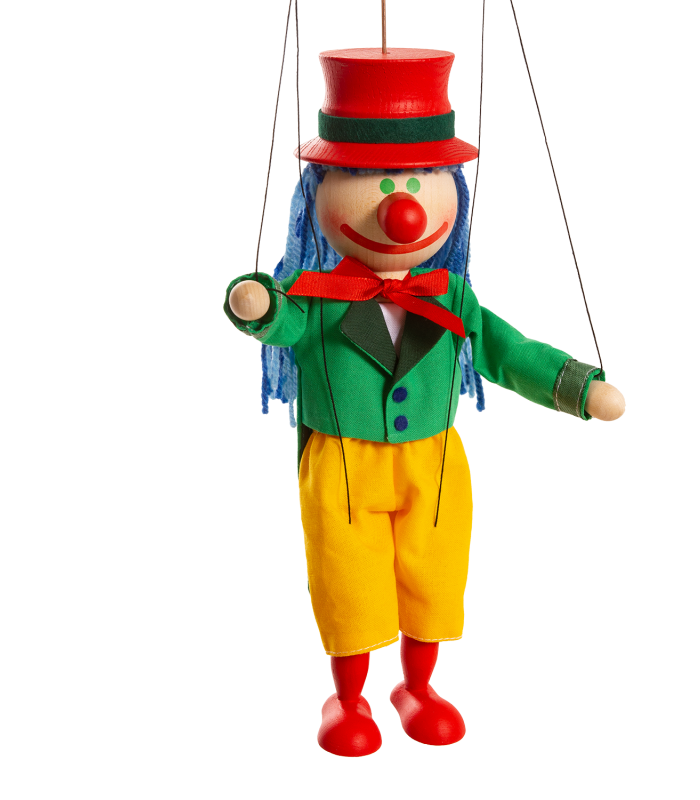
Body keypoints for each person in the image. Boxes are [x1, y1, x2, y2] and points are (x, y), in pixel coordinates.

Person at [223, 47, 625, 758]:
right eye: (376, 183)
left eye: (415, 182)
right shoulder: (318, 299)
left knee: (433, 575)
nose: (403, 210)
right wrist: (251, 301)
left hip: (433, 463)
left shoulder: (450, 297)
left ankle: (417, 687)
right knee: (347, 580)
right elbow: (277, 316)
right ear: (319, 192)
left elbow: (507, 351)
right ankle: (348, 698)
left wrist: (575, 385)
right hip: (343, 464)